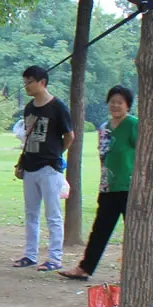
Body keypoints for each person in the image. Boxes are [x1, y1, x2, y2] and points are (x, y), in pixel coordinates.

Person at [58, 86, 138, 281]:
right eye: (112, 101)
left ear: (128, 105)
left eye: (120, 102)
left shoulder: (133, 124)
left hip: (130, 188)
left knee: (134, 233)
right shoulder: (104, 128)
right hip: (108, 187)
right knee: (99, 230)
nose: (115, 105)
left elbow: (142, 152)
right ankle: (85, 268)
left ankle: (134, 273)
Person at [11, 66, 75, 272]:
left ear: (42, 82)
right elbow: (28, 137)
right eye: (25, 82)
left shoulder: (58, 107)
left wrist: (56, 153)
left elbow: (69, 136)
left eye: (30, 82)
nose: (26, 86)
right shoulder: (29, 108)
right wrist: (22, 162)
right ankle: (30, 255)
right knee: (31, 213)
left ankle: (55, 258)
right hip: (30, 166)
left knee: (53, 214)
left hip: (49, 168)